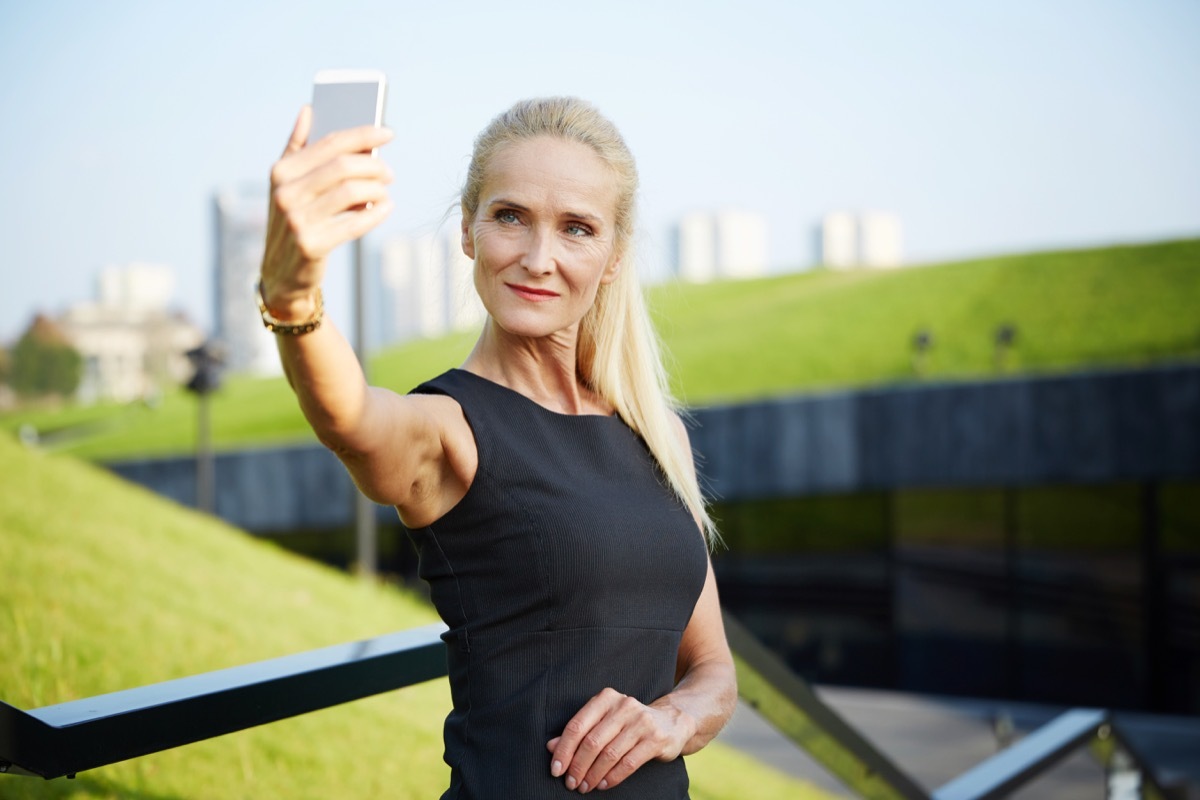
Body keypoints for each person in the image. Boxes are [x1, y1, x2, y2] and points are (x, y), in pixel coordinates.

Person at [258, 96, 736, 798]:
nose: (538, 258)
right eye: (510, 216)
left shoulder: (661, 436)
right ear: (469, 232)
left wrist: (672, 719)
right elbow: (351, 419)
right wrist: (293, 296)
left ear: (613, 258)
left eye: (576, 228)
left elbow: (713, 669)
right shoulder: (449, 427)